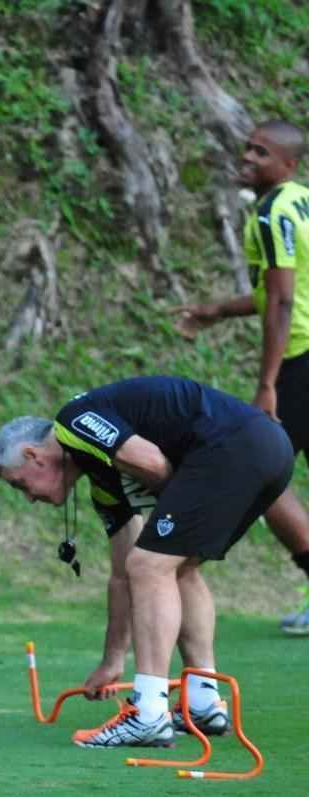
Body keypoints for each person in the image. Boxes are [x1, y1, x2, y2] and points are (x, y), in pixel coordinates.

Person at [0, 375, 293, 747]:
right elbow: (121, 577)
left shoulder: (73, 422)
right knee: (173, 567)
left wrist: (181, 508)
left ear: (33, 456)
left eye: (20, 484)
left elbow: (152, 463)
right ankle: (203, 703)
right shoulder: (104, 480)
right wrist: (112, 659)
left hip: (235, 444)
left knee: (150, 564)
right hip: (267, 452)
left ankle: (148, 714)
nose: (28, 498)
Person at [173, 119, 309, 634]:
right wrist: (216, 310)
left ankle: (177, 569)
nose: (248, 157)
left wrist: (268, 383)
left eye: (262, 152)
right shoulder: (301, 200)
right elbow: (275, 292)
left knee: (262, 470)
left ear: (288, 164)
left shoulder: (273, 212)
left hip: (300, 361)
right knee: (270, 475)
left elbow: (281, 299)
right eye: (248, 148)